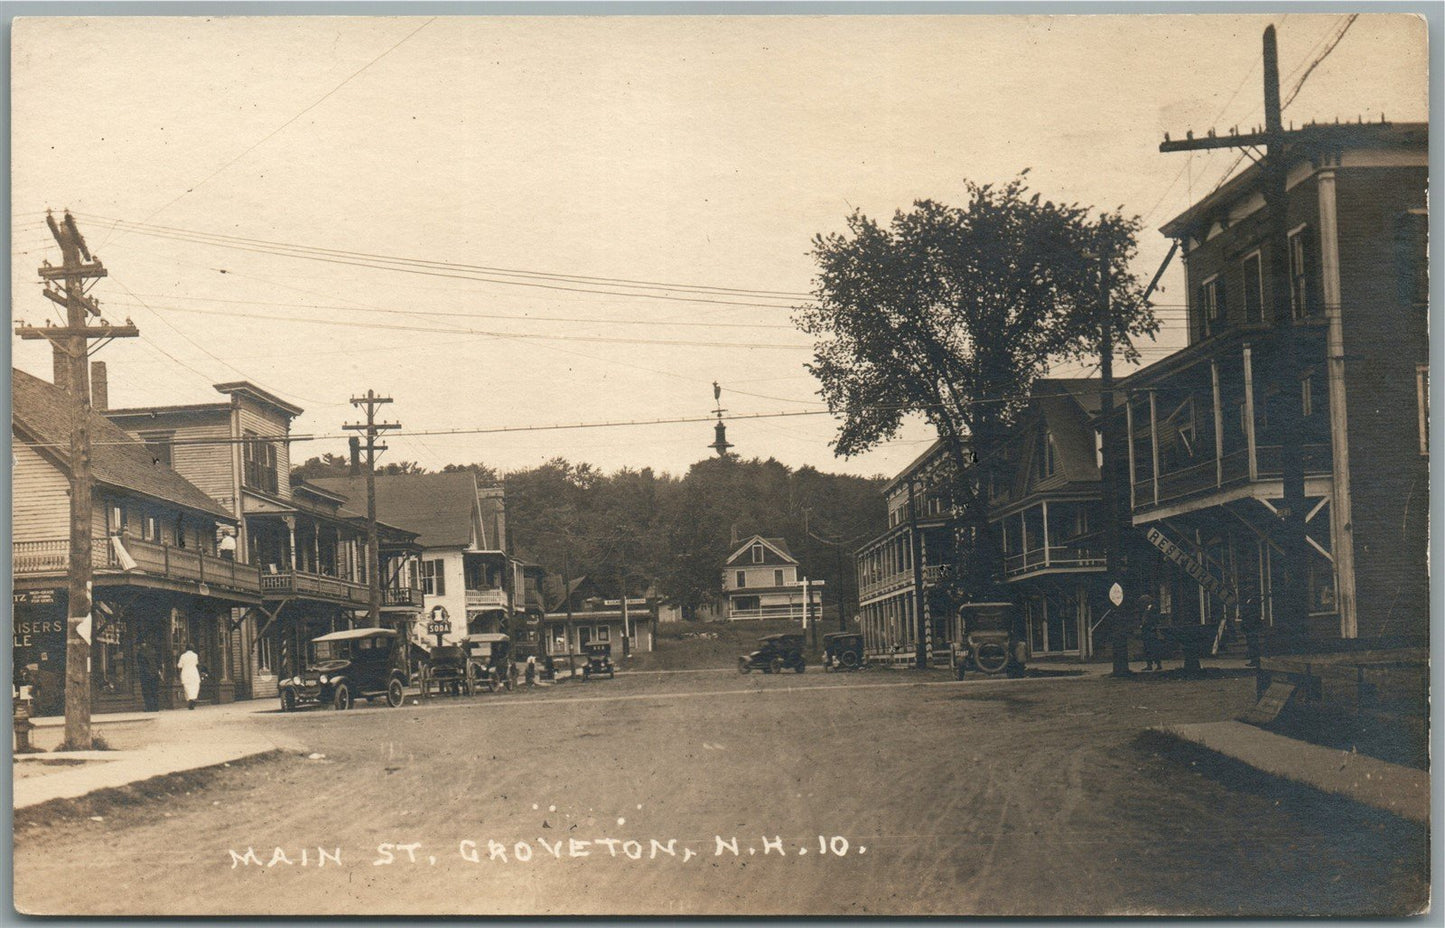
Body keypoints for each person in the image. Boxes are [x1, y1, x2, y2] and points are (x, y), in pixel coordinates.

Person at [1137, 594, 1162, 672]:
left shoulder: (1153, 609)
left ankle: (1157, 664)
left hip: (1151, 630)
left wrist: (1152, 626)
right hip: (1146, 630)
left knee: (1153, 647)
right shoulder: (1145, 610)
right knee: (1147, 648)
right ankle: (1149, 664)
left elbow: (1155, 619)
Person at [136, 640, 161, 712]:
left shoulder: (140, 653)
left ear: (140, 645)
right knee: (155, 691)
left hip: (146, 675)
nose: (137, 647)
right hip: (155, 674)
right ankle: (156, 707)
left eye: (138, 645)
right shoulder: (153, 651)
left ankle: (149, 707)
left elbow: (141, 666)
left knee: (147, 692)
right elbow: (158, 663)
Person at [177, 642, 202, 710]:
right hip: (193, 672)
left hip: (186, 672)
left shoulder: (183, 656)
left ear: (186, 648)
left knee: (187, 687)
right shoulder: (195, 655)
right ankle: (193, 698)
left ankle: (190, 699)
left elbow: (179, 665)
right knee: (195, 686)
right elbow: (196, 663)